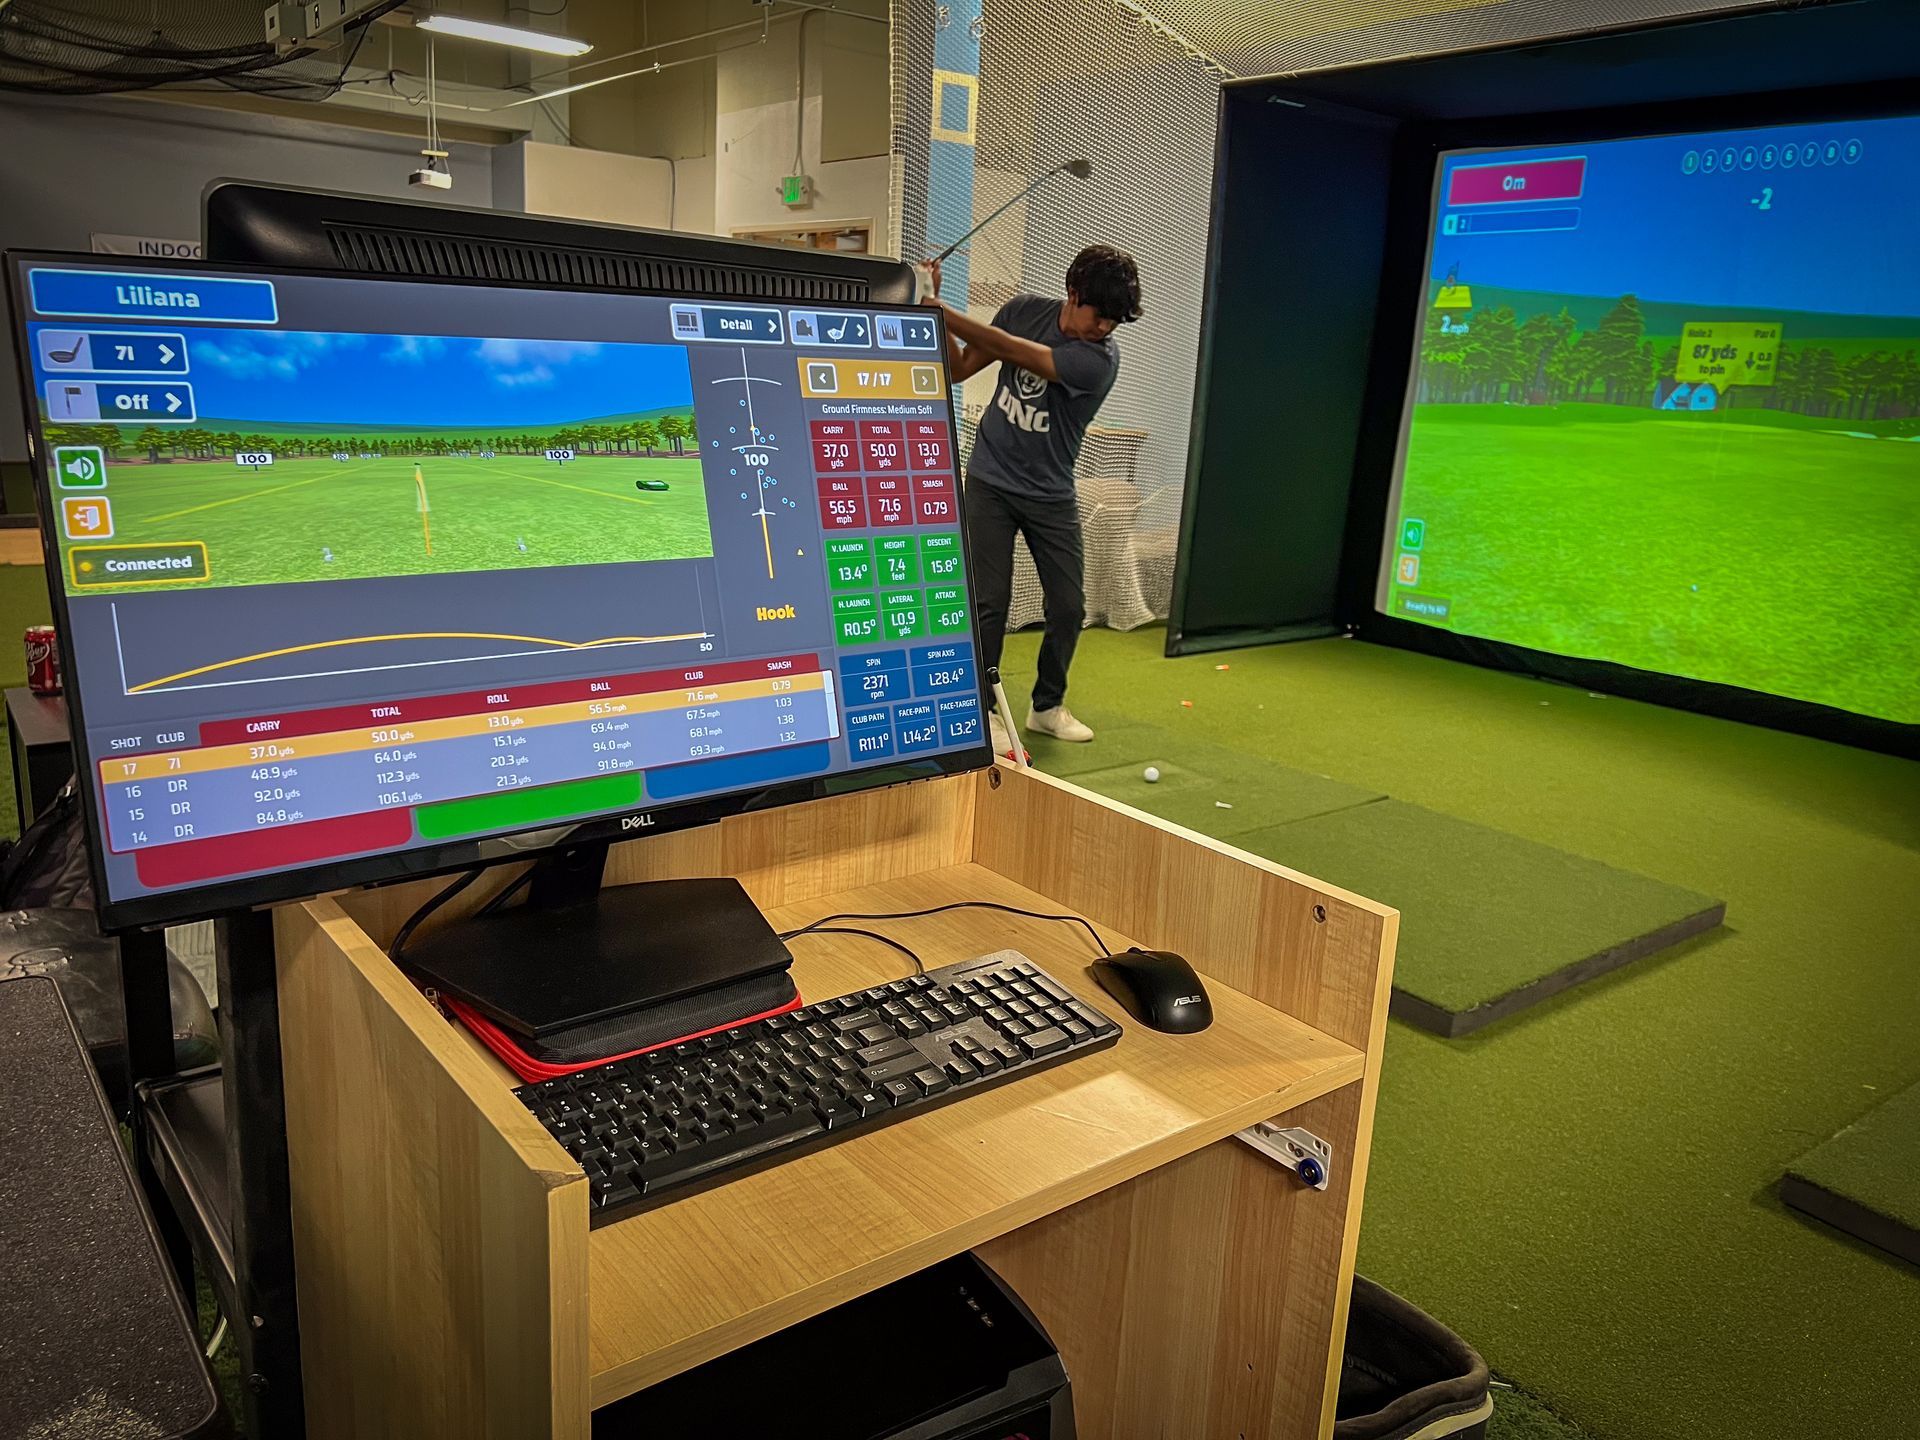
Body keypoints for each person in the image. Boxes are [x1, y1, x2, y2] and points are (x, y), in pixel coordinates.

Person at [924, 245, 1142, 753]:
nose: (1106, 328)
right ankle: (980, 711)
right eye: (1100, 316)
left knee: (1069, 606)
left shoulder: (1097, 361)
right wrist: (933, 303)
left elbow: (1016, 352)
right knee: (988, 602)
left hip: (1050, 493)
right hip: (990, 480)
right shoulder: (1023, 311)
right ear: (1073, 295)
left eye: (1114, 321)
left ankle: (1046, 706)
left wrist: (944, 310)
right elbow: (957, 369)